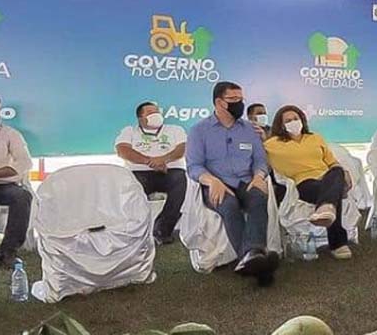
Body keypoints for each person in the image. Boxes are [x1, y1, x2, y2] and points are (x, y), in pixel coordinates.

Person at [186, 81, 277, 283]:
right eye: (233, 100)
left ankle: (251, 256)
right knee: (229, 205)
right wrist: (211, 181)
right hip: (217, 183)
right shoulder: (199, 131)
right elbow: (194, 166)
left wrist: (259, 176)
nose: (239, 104)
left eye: (241, 99)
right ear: (219, 102)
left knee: (258, 199)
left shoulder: (249, 130)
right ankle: (256, 259)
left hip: (246, 180)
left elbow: (261, 160)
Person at [264, 106, 353, 259]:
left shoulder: (315, 138)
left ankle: (325, 208)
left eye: (296, 118)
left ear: (302, 120)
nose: (293, 122)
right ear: (280, 124)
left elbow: (332, 163)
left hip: (328, 177)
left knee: (337, 171)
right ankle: (337, 242)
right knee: (332, 193)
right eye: (288, 120)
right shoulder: (272, 144)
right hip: (303, 184)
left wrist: (344, 171)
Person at [115, 102, 187, 244]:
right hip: (139, 172)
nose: (156, 115)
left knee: (181, 183)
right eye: (150, 112)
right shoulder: (129, 131)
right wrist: (150, 161)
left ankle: (162, 230)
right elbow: (123, 150)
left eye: (157, 112)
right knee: (131, 191)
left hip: (170, 171)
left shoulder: (175, 130)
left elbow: (182, 149)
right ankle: (135, 233)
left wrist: (163, 159)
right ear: (140, 118)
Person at [0, 95, 32, 268]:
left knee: (22, 196)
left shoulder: (10, 134)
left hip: (1, 185)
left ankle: (8, 251)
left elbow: (24, 162)